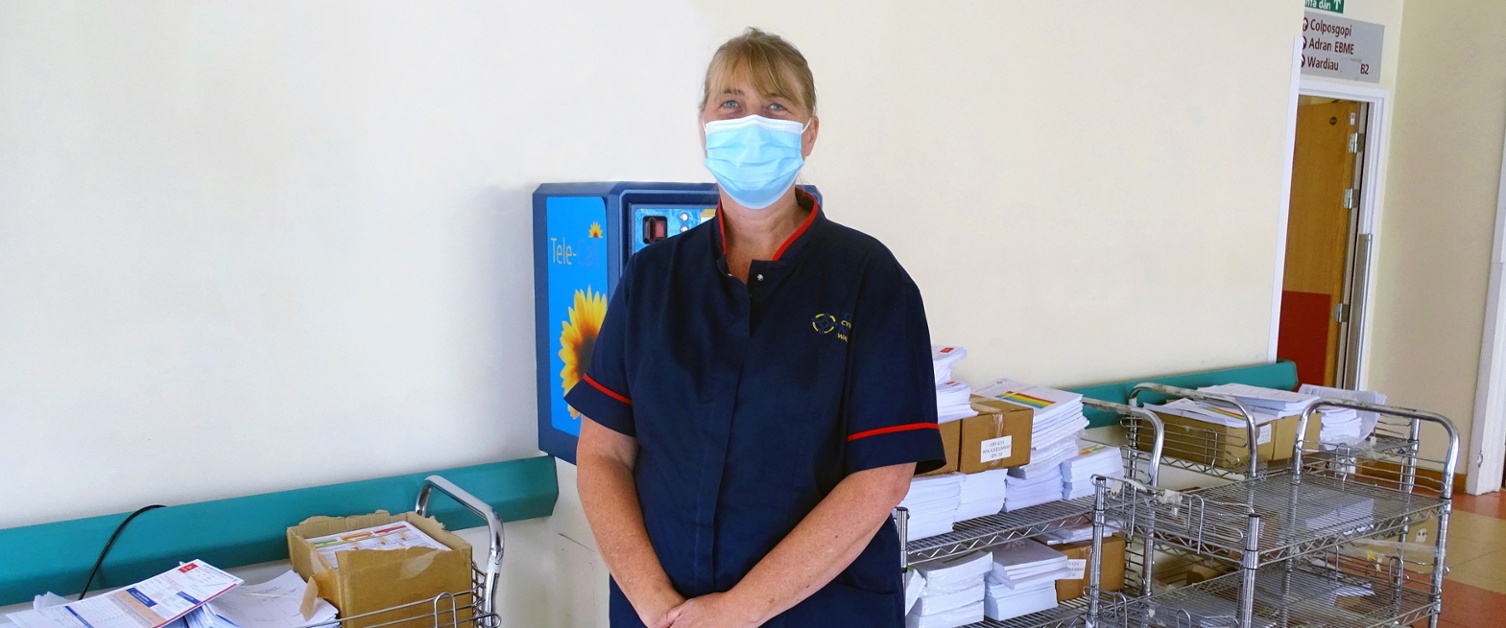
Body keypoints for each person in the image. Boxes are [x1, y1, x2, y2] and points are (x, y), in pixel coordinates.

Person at [566, 28, 944, 627]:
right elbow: (603, 452)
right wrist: (656, 606)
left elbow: (881, 478)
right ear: (704, 127)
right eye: (731, 104)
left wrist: (736, 613)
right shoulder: (652, 280)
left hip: (821, 612)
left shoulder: (871, 281)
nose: (751, 123)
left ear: (809, 132)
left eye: (776, 106)